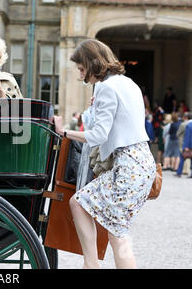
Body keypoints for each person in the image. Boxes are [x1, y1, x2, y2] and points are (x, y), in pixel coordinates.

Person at [52, 39, 155, 269]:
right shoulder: (128, 83)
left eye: (81, 69)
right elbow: (117, 123)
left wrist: (64, 132)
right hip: (141, 163)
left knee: (83, 207)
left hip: (128, 166)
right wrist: (96, 108)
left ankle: (91, 265)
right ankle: (91, 264)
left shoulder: (106, 87)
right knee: (117, 233)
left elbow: (98, 135)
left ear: (91, 63)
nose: (81, 76)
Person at [175, 112, 192, 177]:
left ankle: (179, 172)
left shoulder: (188, 125)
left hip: (189, 146)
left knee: (182, 157)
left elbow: (187, 137)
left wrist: (185, 146)